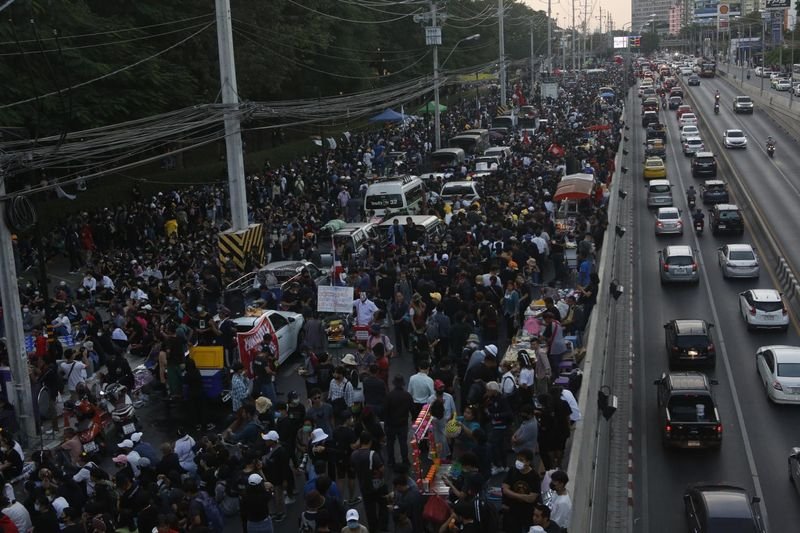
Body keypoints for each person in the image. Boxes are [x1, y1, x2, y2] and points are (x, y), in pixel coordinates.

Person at [501, 448, 541, 533]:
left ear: (528, 462)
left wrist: (512, 494)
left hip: (527, 513)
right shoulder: (512, 471)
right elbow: (505, 489)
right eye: (517, 459)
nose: (518, 462)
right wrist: (523, 497)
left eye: (521, 460)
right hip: (512, 511)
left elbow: (532, 498)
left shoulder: (534, 476)